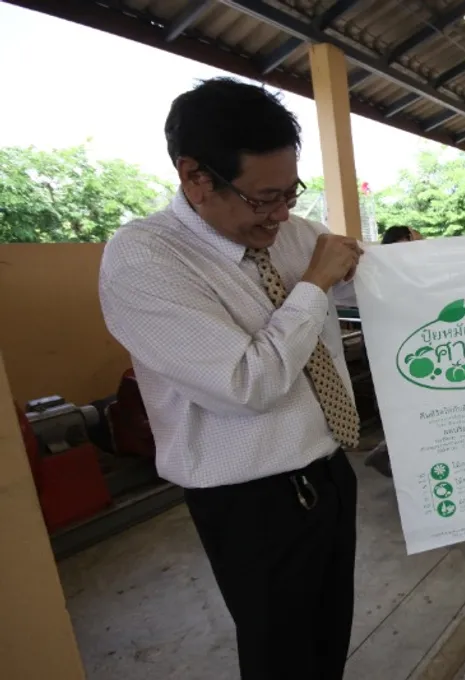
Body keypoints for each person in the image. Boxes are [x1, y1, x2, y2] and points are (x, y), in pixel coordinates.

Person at [98, 78, 363, 678]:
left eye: (290, 192)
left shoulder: (298, 234)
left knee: (328, 641)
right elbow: (246, 385)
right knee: (280, 659)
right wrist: (314, 284)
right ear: (196, 177)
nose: (281, 214)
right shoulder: (145, 259)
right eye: (263, 198)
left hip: (329, 470)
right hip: (253, 503)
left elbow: (367, 286)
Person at [363, 225, 420, 478]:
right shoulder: (376, 280)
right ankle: (392, 454)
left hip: (417, 355)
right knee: (400, 410)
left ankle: (393, 454)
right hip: (392, 356)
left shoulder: (424, 277)